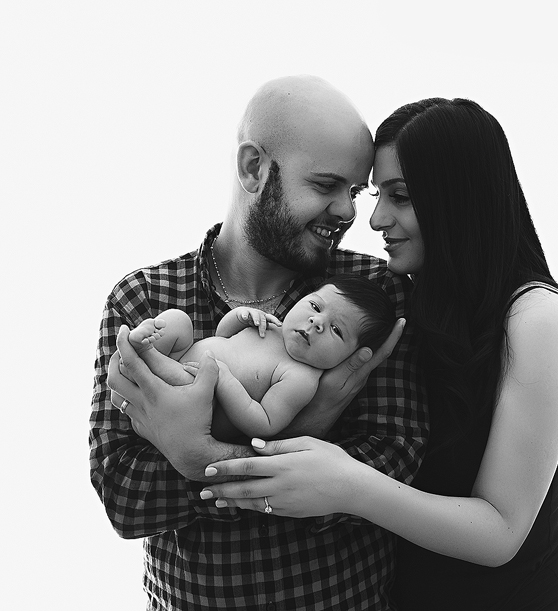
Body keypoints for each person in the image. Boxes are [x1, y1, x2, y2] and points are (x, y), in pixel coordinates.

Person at [202, 98, 558, 610]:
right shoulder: (410, 298)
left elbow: (500, 531)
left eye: (402, 197)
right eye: (376, 195)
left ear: (460, 199)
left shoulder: (538, 320)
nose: (375, 219)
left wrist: (349, 484)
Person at [90, 76, 429, 610]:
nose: (348, 212)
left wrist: (195, 455)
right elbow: (123, 496)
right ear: (253, 168)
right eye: (325, 186)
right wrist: (308, 431)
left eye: (354, 192)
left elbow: (396, 460)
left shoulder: (370, 298)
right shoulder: (146, 298)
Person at [129, 275, 395, 440]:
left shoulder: (301, 378)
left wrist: (223, 379)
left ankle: (144, 358)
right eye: (315, 306)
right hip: (183, 357)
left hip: (199, 406)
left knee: (196, 380)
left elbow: (264, 423)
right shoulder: (274, 327)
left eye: (336, 330)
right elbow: (223, 336)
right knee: (179, 321)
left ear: (351, 357)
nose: (316, 322)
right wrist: (241, 316)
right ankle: (147, 340)